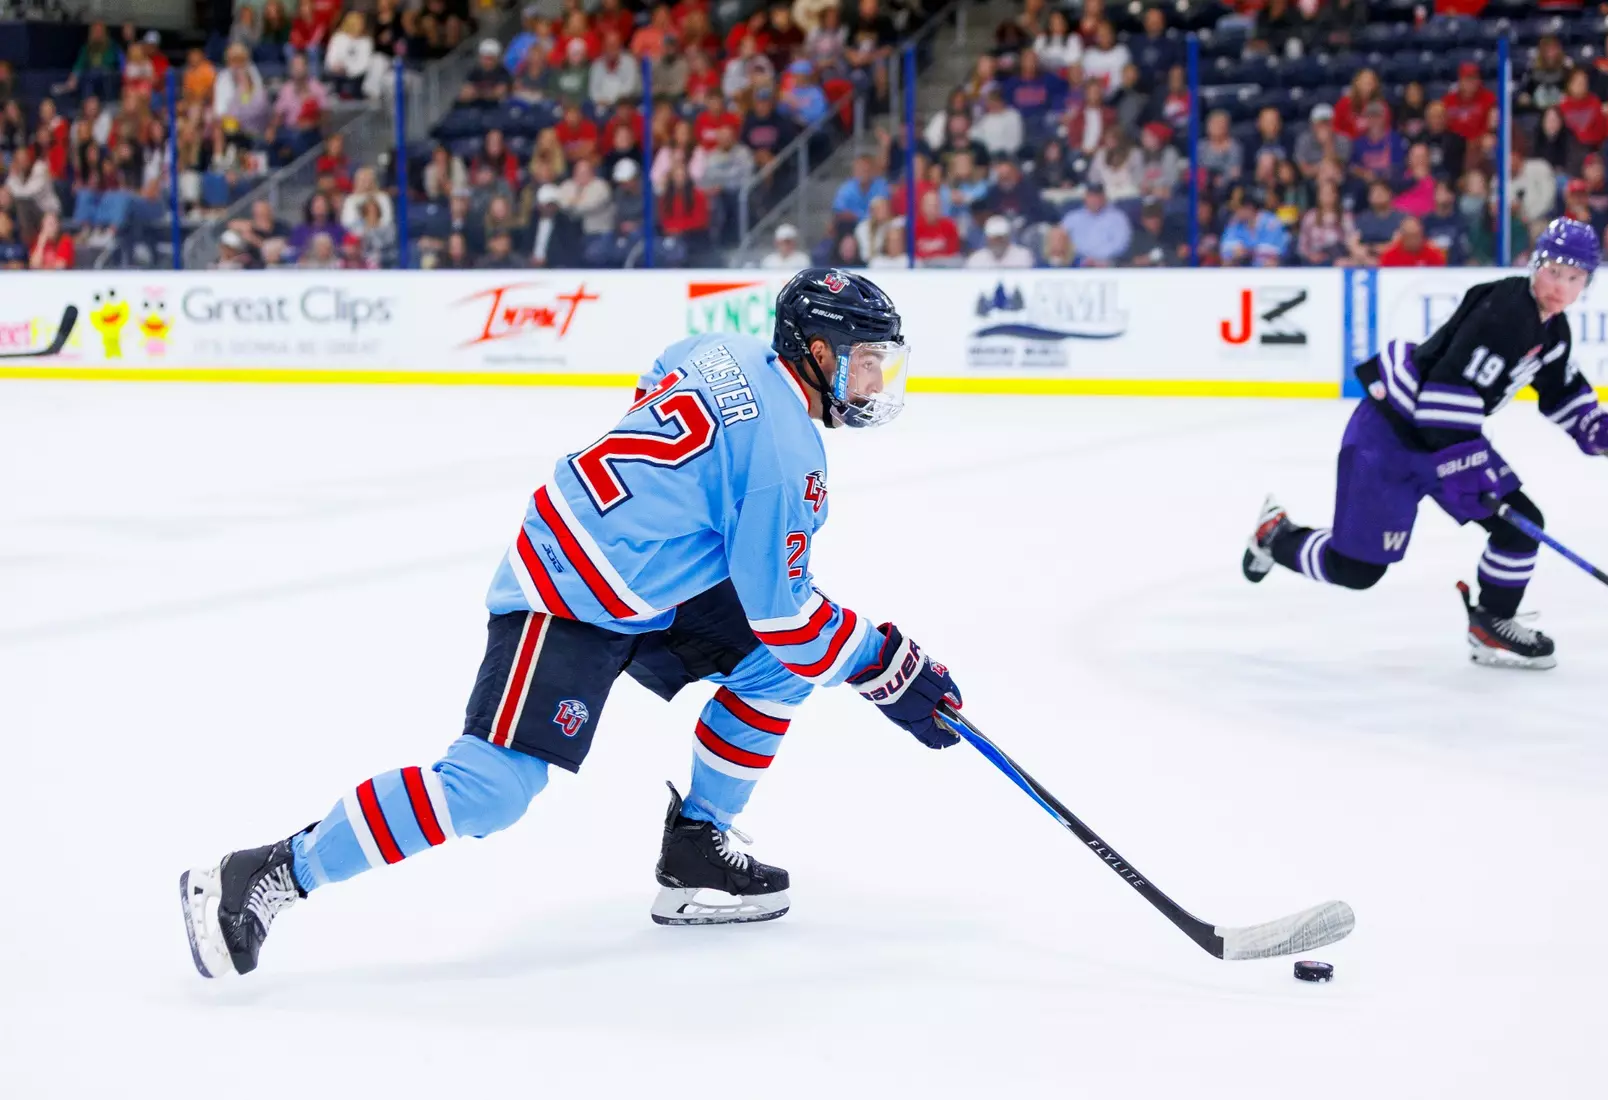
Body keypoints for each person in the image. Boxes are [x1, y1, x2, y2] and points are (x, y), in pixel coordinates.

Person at [180, 269, 963, 978]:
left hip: (650, 574)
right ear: (819, 352)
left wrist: (674, 509)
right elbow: (788, 616)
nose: (873, 379)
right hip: (568, 588)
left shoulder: (719, 345)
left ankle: (695, 849)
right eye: (865, 360)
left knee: (778, 665)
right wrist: (885, 664)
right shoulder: (790, 460)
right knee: (492, 789)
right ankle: (271, 872)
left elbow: (659, 376)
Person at [1242, 219, 1608, 670]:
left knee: (1520, 524)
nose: (1560, 287)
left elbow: (1560, 391)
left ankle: (1492, 624)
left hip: (1446, 438)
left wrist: (1606, 434)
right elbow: (1446, 390)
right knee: (1356, 570)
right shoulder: (1505, 310)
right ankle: (1276, 536)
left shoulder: (1552, 331)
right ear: (1536, 265)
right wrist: (1464, 467)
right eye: (1554, 272)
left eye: (1574, 278)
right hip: (1391, 436)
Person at [964, 213, 1035, 268]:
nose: (998, 242)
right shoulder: (976, 259)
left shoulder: (1023, 256)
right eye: (994, 238)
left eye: (1001, 238)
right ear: (987, 239)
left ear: (1008, 238)